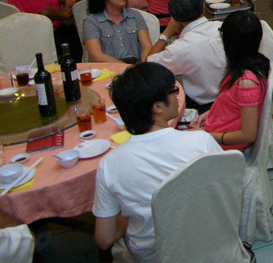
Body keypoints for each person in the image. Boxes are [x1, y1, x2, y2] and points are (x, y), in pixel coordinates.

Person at [92, 62, 221, 262]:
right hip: (205, 242)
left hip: (152, 254)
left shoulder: (110, 165)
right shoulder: (201, 141)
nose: (177, 96)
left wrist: (126, 218)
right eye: (173, 92)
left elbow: (104, 239)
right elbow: (223, 189)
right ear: (158, 107)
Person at [189, 11, 270, 150]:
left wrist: (205, 136)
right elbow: (231, 105)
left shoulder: (247, 83)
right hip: (214, 132)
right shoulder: (251, 62)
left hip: (221, 145)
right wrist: (207, 115)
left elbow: (248, 135)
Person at [147, 0, 227, 113]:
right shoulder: (223, 28)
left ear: (174, 17)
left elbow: (148, 67)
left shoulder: (179, 49)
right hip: (232, 99)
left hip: (202, 108)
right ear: (203, 7)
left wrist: (166, 33)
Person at [84, 0, 151, 64]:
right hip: (109, 69)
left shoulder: (134, 16)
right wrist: (124, 67)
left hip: (136, 66)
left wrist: (142, 64)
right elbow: (96, 56)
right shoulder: (92, 21)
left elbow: (146, 46)